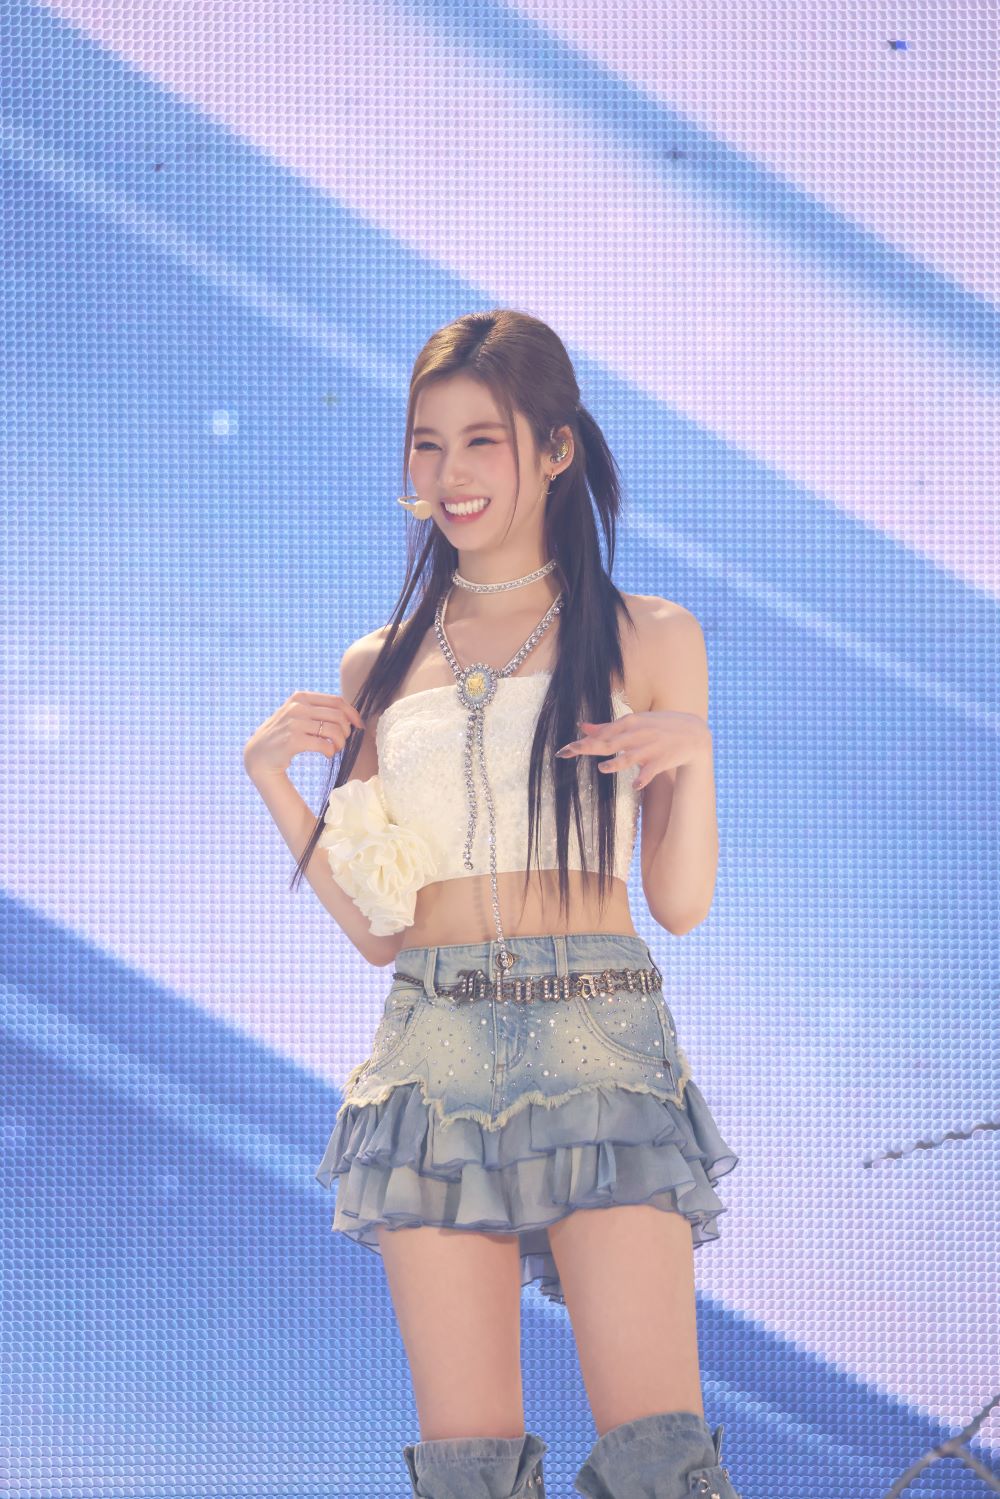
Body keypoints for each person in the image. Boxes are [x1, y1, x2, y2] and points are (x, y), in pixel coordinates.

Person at [243, 309, 741, 1499]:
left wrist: (693, 755)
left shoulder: (649, 633)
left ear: (556, 448)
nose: (450, 472)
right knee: (466, 1469)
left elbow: (677, 901)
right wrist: (274, 782)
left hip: (598, 1032)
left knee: (659, 1457)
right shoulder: (377, 662)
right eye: (428, 443)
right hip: (431, 1051)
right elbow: (382, 930)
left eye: (482, 440)